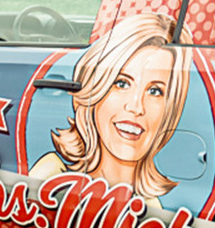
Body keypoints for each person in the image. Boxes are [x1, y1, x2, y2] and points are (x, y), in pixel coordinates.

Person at [29, 12, 190, 198]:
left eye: (155, 91)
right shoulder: (52, 172)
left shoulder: (152, 207)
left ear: (172, 107)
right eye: (121, 83)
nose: (136, 107)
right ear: (93, 87)